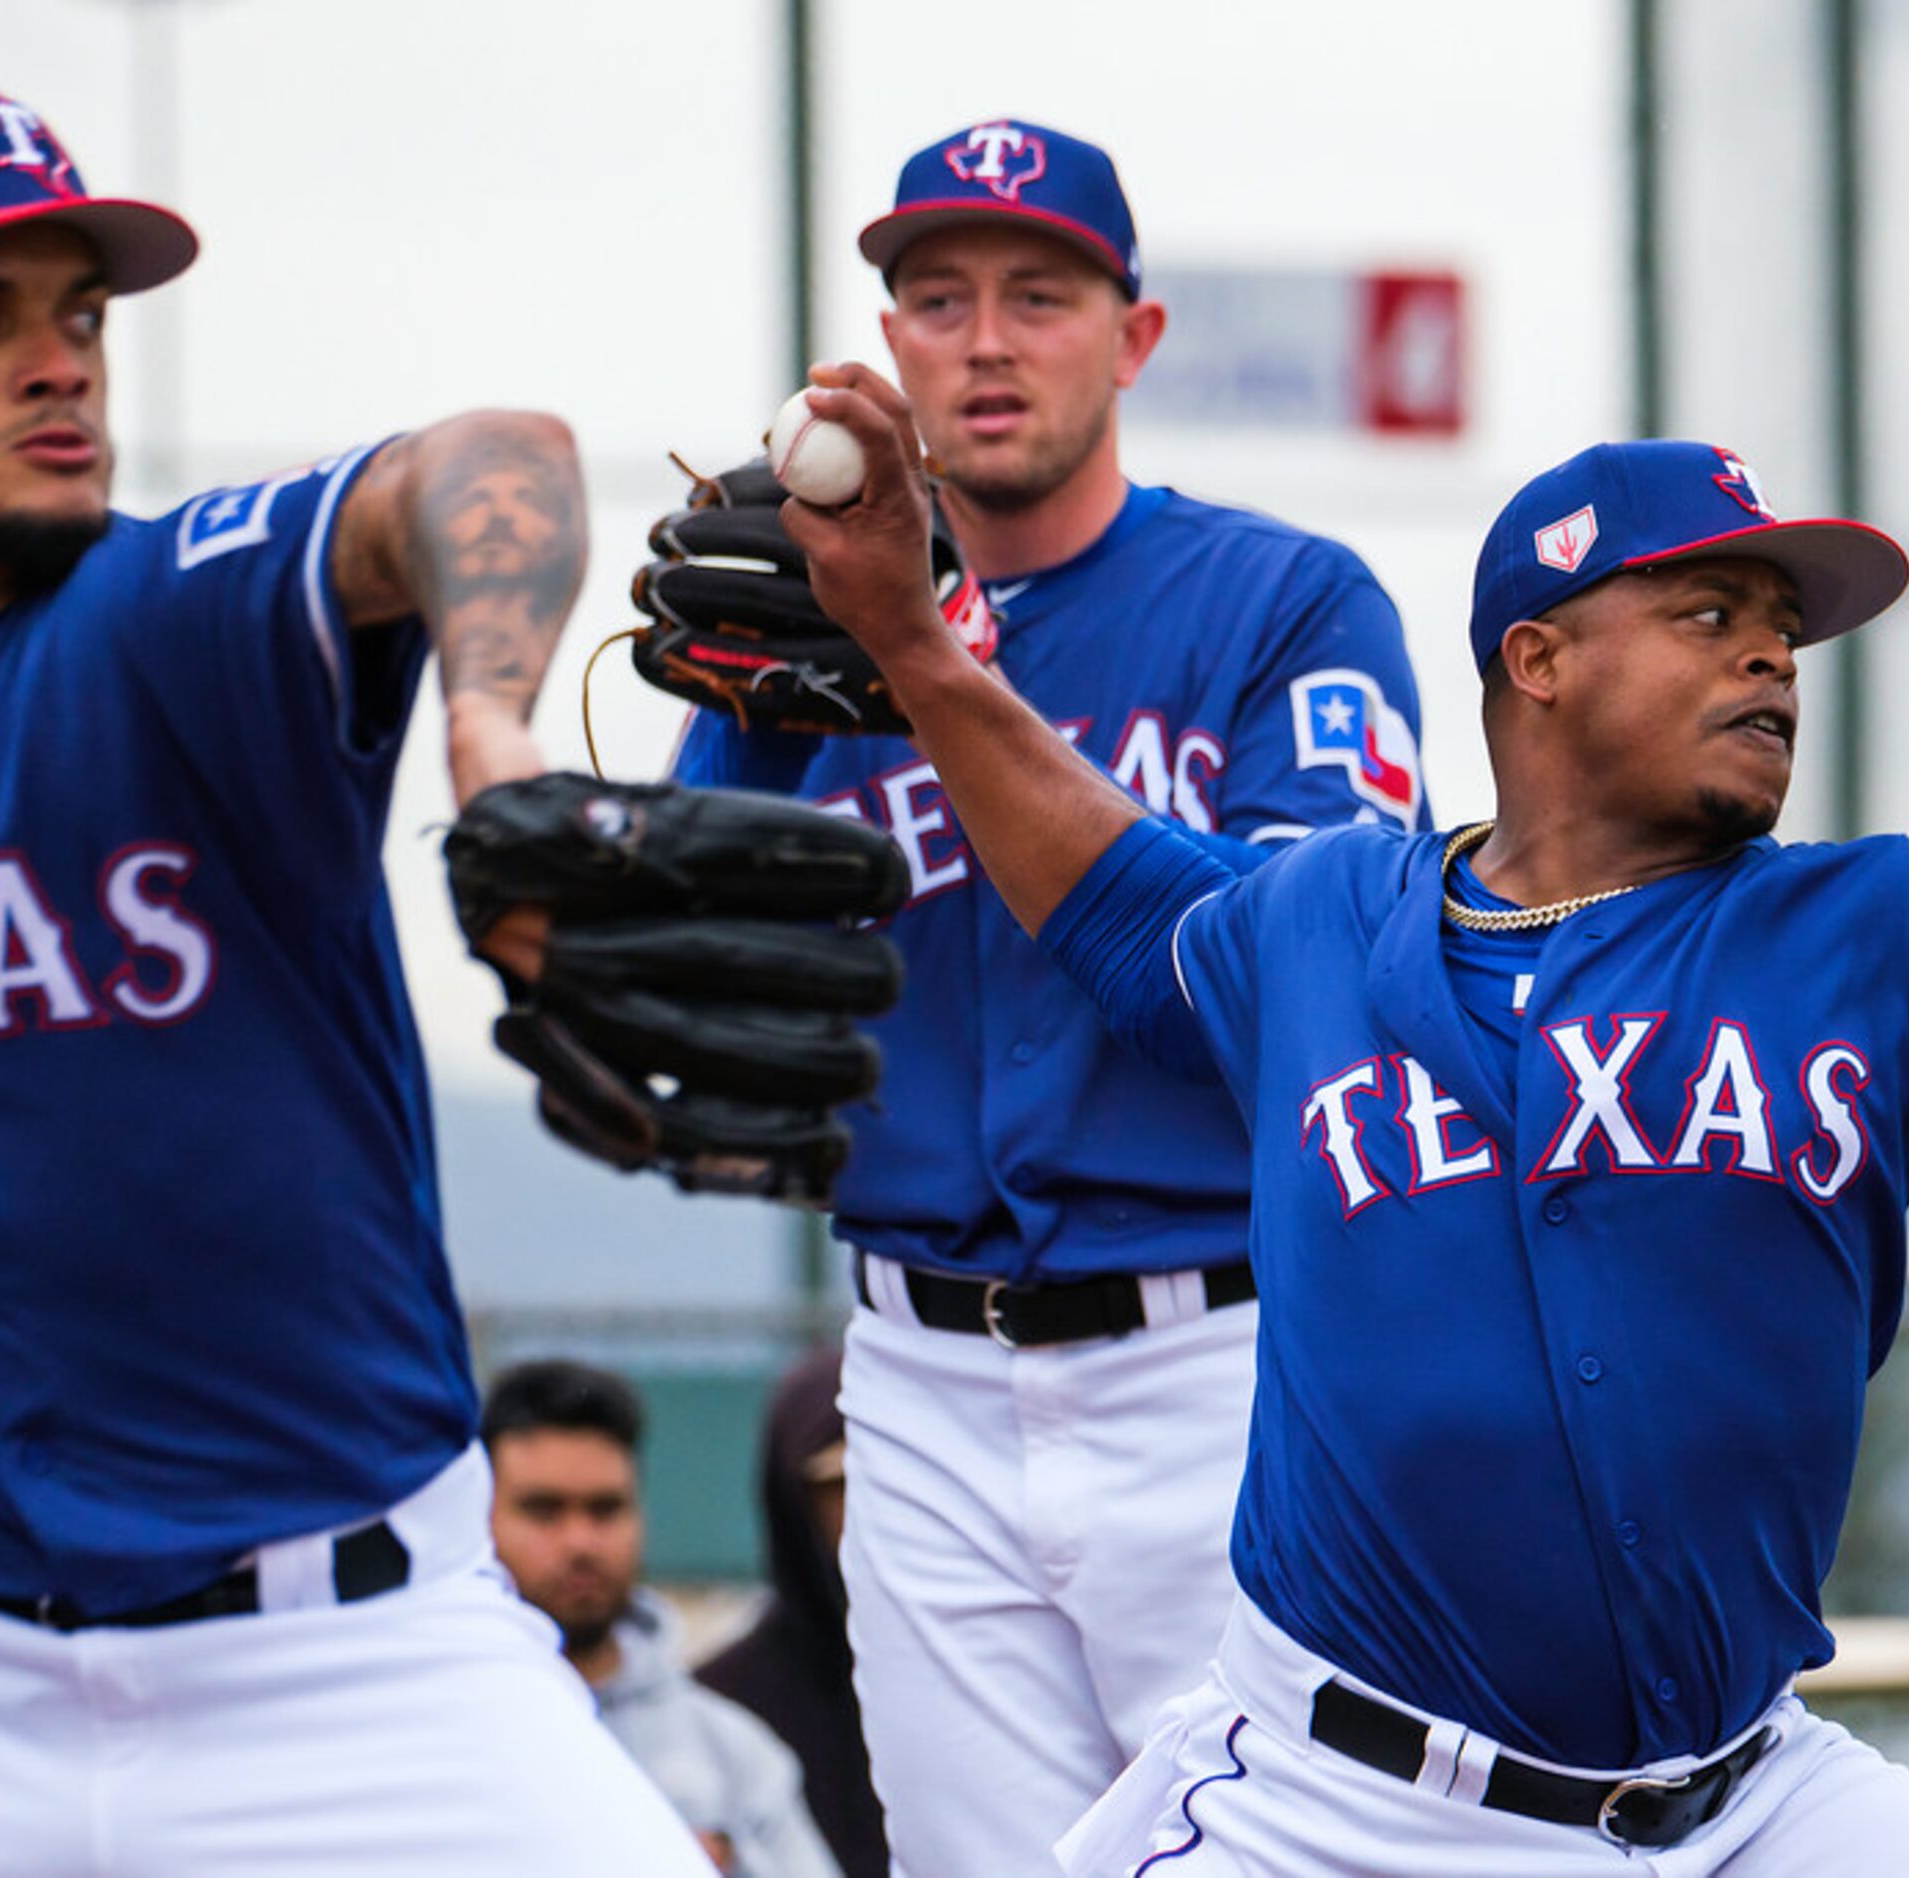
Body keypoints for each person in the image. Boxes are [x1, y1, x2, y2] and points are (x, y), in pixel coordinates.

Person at [770, 373, 1909, 1874]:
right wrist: (918, 643)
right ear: (1536, 656)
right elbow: (1094, 868)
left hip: (1749, 1802)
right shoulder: (1307, 928)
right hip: (1339, 1810)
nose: (1772, 652)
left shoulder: (1893, 932)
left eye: (1786, 624)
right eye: (1708, 611)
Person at [0, 88, 715, 1875]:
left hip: (349, 1662)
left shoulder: (170, 617)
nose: (56, 364)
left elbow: (485, 457)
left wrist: (490, 721)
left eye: (81, 316)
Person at [671, 117, 1431, 1875]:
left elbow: (1288, 983)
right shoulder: (792, 637)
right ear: (886, 343)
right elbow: (711, 979)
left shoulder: (1286, 602)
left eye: (1039, 292)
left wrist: (935, 649)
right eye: (936, 298)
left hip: (1227, 1364)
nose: (987, 339)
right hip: (918, 1385)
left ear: (1134, 337)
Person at [482, 1359, 843, 1878]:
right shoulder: (439, 1732)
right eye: (544, 1510)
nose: (580, 1542)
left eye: (605, 1509)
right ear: (482, 1518)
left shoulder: (733, 1754)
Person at [698, 1343, 888, 1878]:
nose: (865, 1512)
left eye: (886, 1481)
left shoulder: (987, 1676)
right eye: (838, 1485)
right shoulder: (723, 1709)